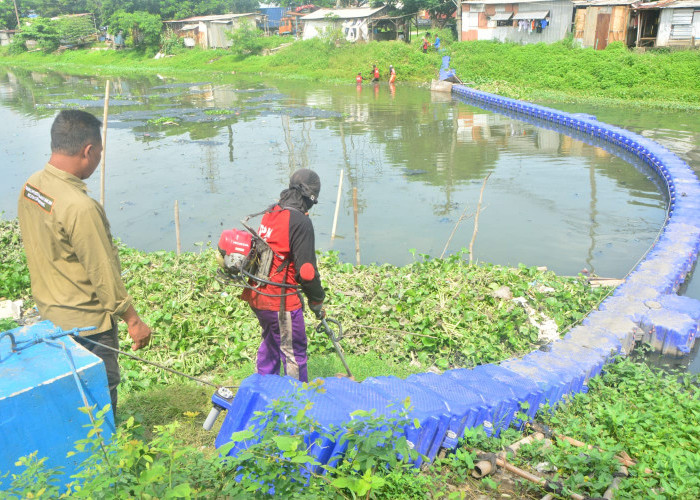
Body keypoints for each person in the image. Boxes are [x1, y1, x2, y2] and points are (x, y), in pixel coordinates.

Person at [18, 109, 152, 415]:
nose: (99, 158)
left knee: (72, 391)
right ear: (88, 150)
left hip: (52, 315)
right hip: (88, 324)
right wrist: (133, 320)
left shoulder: (33, 186)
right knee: (100, 389)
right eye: (100, 152)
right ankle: (105, 456)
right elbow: (102, 272)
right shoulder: (80, 207)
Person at [242, 169, 325, 383]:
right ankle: (296, 408)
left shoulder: (272, 212)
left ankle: (264, 392)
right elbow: (306, 272)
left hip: (258, 295)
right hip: (280, 302)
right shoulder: (300, 221)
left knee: (271, 344)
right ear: (311, 198)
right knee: (293, 354)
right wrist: (317, 299)